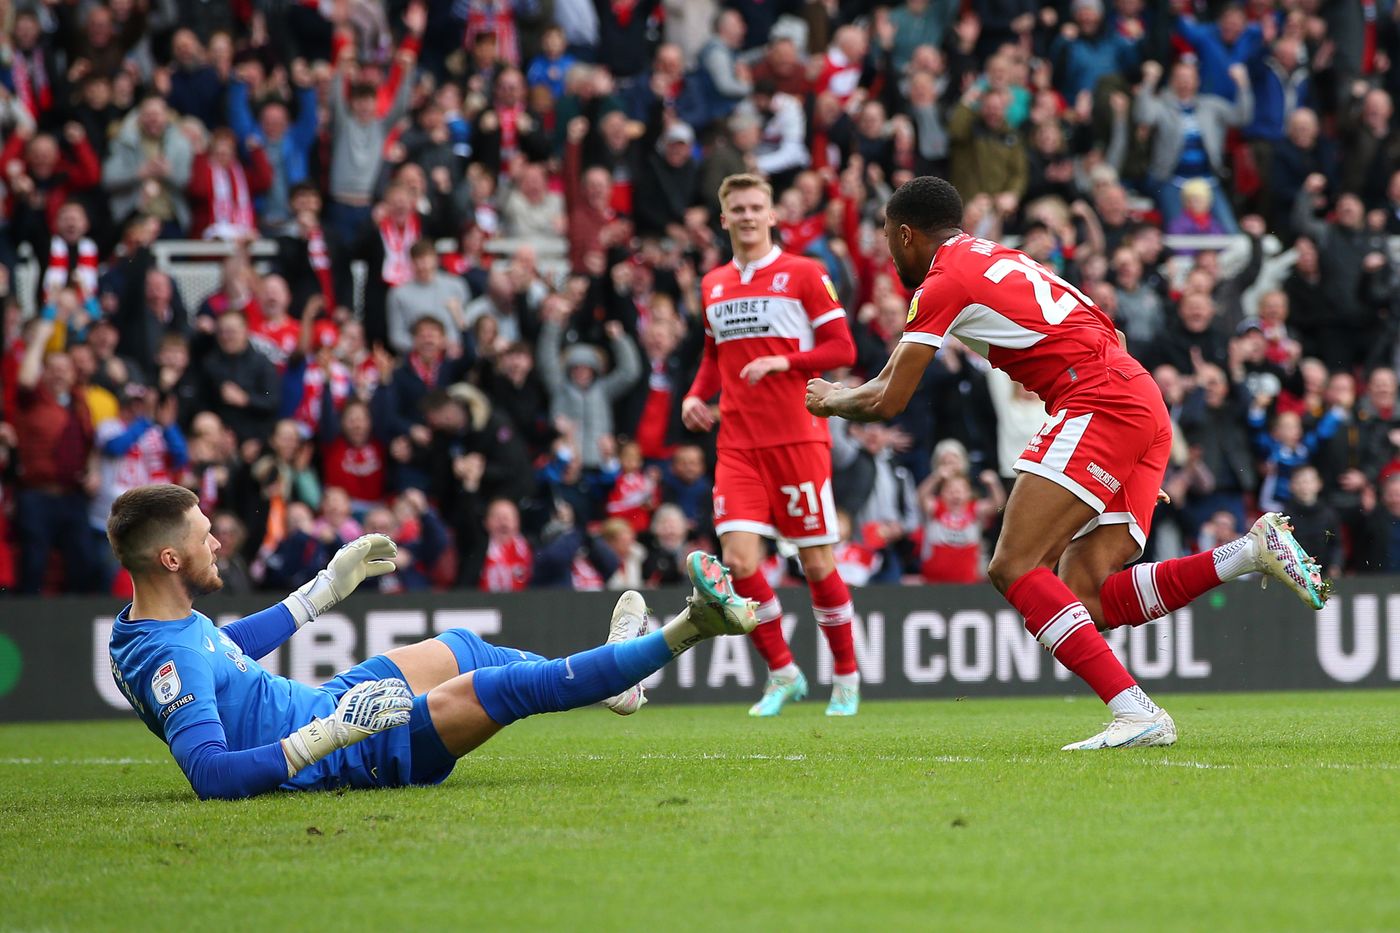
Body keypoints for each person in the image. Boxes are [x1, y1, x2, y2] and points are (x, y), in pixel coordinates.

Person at [805, 176, 1329, 749]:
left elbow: (889, 398)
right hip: (1136, 398)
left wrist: (831, 400)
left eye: (886, 237)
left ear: (906, 234)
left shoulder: (943, 279)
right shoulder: (999, 256)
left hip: (1098, 401)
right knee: (1088, 594)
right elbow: (1114, 328)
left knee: (1013, 564)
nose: (887, 249)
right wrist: (1123, 451)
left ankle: (1137, 713)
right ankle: (1250, 552)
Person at [105, 483, 757, 800]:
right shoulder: (172, 662)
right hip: (341, 751)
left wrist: (321, 593)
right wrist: (328, 736)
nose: (217, 541)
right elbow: (211, 775)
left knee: (464, 645)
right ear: (168, 558)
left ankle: (616, 682)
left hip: (326, 701)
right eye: (202, 535)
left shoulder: (143, 625)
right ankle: (693, 624)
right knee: (502, 688)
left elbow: (225, 646)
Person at [682, 172, 862, 717]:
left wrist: (785, 361)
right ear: (723, 217)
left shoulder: (805, 273)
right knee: (737, 563)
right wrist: (695, 396)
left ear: (772, 214)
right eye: (737, 208)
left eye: (756, 207)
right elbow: (713, 356)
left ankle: (847, 677)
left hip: (798, 437)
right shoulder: (713, 283)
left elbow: (843, 347)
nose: (747, 216)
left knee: (816, 564)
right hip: (737, 444)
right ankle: (783, 672)